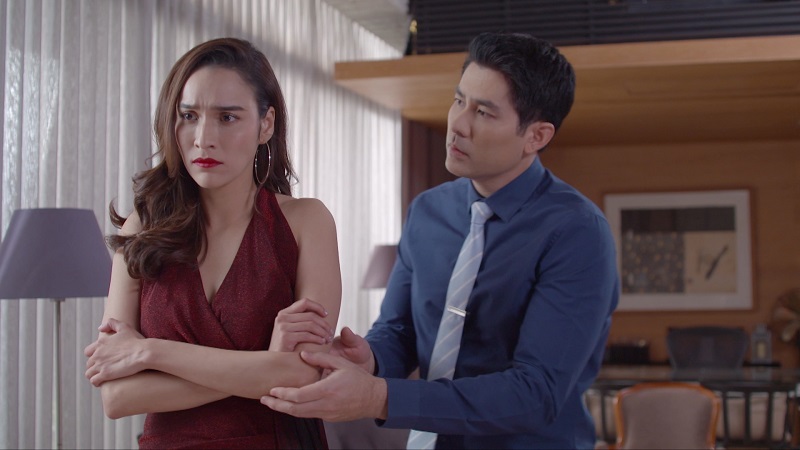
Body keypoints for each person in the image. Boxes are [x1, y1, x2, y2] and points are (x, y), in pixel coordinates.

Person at [261, 31, 620, 449]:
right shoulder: (428, 211)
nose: (458, 125)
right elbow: (399, 330)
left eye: (483, 112)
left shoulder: (578, 232)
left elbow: (535, 392)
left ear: (536, 136)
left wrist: (379, 396)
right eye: (458, 100)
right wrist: (369, 358)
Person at [83, 37, 341, 449]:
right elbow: (117, 398)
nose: (203, 138)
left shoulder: (306, 222)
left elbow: (303, 375)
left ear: (266, 124)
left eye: (227, 117)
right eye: (189, 115)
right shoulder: (141, 229)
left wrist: (151, 353)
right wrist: (265, 365)